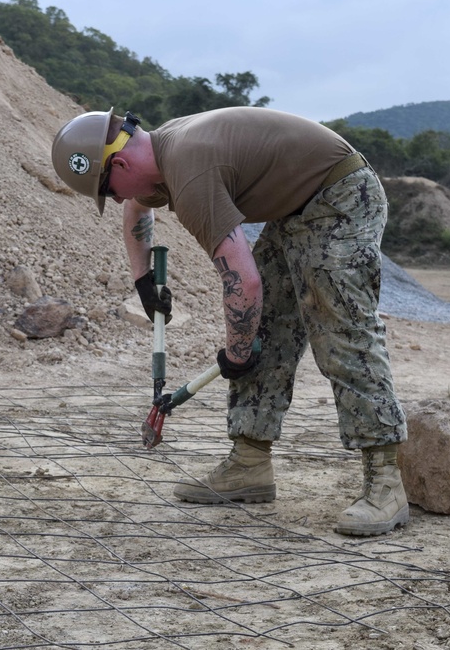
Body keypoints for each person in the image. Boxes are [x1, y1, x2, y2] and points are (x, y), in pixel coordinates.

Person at [51, 106, 409, 536]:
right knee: (264, 331)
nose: (118, 199)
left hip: (341, 195)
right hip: (296, 206)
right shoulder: (157, 153)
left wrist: (236, 354)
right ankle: (250, 464)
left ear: (121, 163)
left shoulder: (190, 174)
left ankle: (386, 482)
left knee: (340, 329)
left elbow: (244, 285)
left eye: (109, 190)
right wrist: (144, 281)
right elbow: (138, 210)